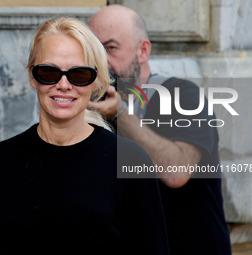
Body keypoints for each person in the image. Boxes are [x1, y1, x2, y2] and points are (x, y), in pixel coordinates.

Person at [0, 17, 169, 254]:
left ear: (95, 81)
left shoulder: (131, 160)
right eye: (48, 72)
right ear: (32, 76)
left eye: (78, 74)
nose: (64, 85)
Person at [88, 5, 232, 255]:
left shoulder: (183, 95)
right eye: (94, 52)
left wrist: (121, 114)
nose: (102, 61)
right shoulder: (94, 106)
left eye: (110, 48)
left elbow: (176, 173)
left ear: (143, 50)